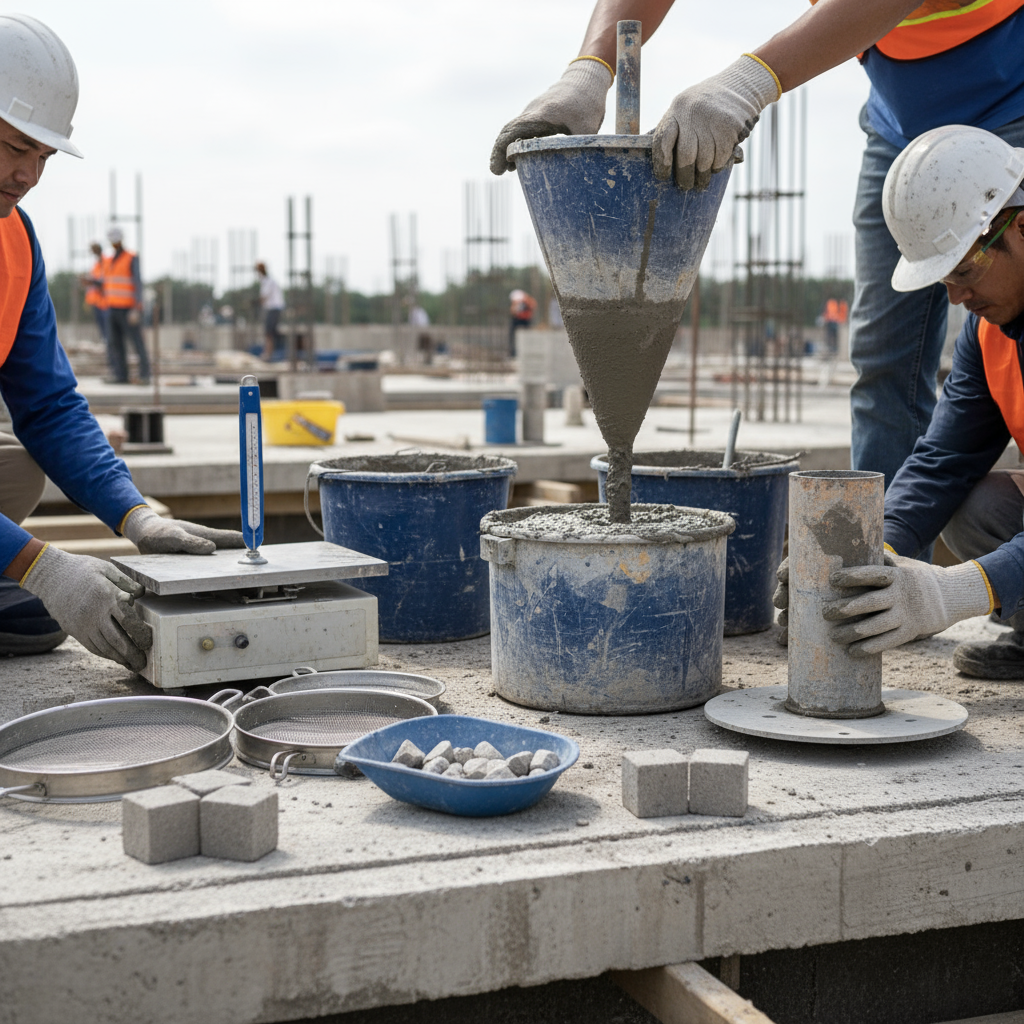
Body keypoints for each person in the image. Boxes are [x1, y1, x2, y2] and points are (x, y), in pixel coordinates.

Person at [490, 0, 1024, 490]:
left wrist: (748, 82)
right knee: (883, 358)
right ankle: (884, 550)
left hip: (1010, 90)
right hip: (900, 120)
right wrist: (590, 67)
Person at [0, 14, 244, 670]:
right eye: (14, 147)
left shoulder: (14, 238)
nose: (28, 175)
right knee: (39, 586)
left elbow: (48, 405)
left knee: (15, 466)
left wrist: (135, 516)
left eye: (43, 157)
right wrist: (40, 565)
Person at [777, 125, 1024, 679]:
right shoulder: (990, 332)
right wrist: (872, 555)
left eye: (965, 270)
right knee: (977, 506)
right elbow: (942, 462)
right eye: (945, 279)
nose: (955, 297)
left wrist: (951, 592)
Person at [105, 225, 150, 384]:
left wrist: (136, 308)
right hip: (112, 308)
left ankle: (145, 375)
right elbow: (109, 283)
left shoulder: (131, 257)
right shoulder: (110, 260)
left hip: (128, 309)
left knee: (137, 343)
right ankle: (121, 375)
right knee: (116, 344)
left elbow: (138, 283)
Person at [80, 240, 112, 374]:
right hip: (97, 304)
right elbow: (94, 284)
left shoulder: (106, 263)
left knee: (109, 335)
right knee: (105, 335)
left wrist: (92, 281)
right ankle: (111, 362)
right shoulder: (96, 265)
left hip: (106, 304)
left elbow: (105, 282)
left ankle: (113, 363)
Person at [255, 261, 285, 360]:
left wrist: (256, 303)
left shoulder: (267, 282)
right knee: (271, 331)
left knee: (269, 332)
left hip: (274, 308)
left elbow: (264, 297)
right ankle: (269, 352)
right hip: (273, 308)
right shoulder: (268, 281)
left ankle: (268, 353)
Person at [508, 288, 537, 357]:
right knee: (514, 337)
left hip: (525, 321)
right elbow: (512, 312)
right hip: (517, 320)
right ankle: (514, 353)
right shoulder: (517, 302)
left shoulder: (528, 301)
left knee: (526, 337)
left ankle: (526, 352)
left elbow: (533, 307)